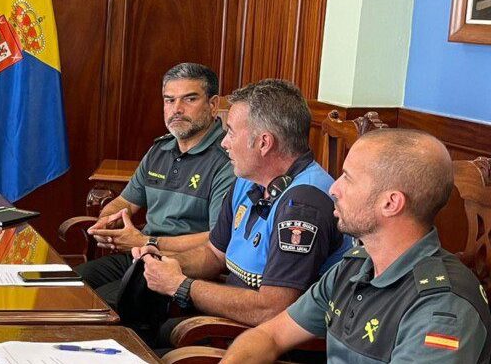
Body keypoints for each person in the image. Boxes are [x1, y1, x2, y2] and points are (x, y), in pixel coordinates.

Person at [221, 129, 491, 363]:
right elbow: (270, 335)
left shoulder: (442, 307)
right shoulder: (355, 266)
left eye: (348, 178)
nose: (333, 189)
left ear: (391, 203)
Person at [130, 79, 349, 344]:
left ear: (264, 143)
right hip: (233, 321)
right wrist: (165, 261)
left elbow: (272, 308)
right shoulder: (248, 178)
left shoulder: (303, 205)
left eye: (231, 132)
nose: (224, 142)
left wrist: (181, 285)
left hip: (266, 340)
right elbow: (214, 254)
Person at [74, 63, 235, 305]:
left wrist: (146, 242)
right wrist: (108, 223)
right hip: (141, 255)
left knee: (101, 305)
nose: (177, 109)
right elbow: (124, 202)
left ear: (212, 106)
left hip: (181, 266)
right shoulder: (159, 149)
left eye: (189, 99)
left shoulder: (227, 160)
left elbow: (217, 240)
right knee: (71, 285)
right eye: (169, 100)